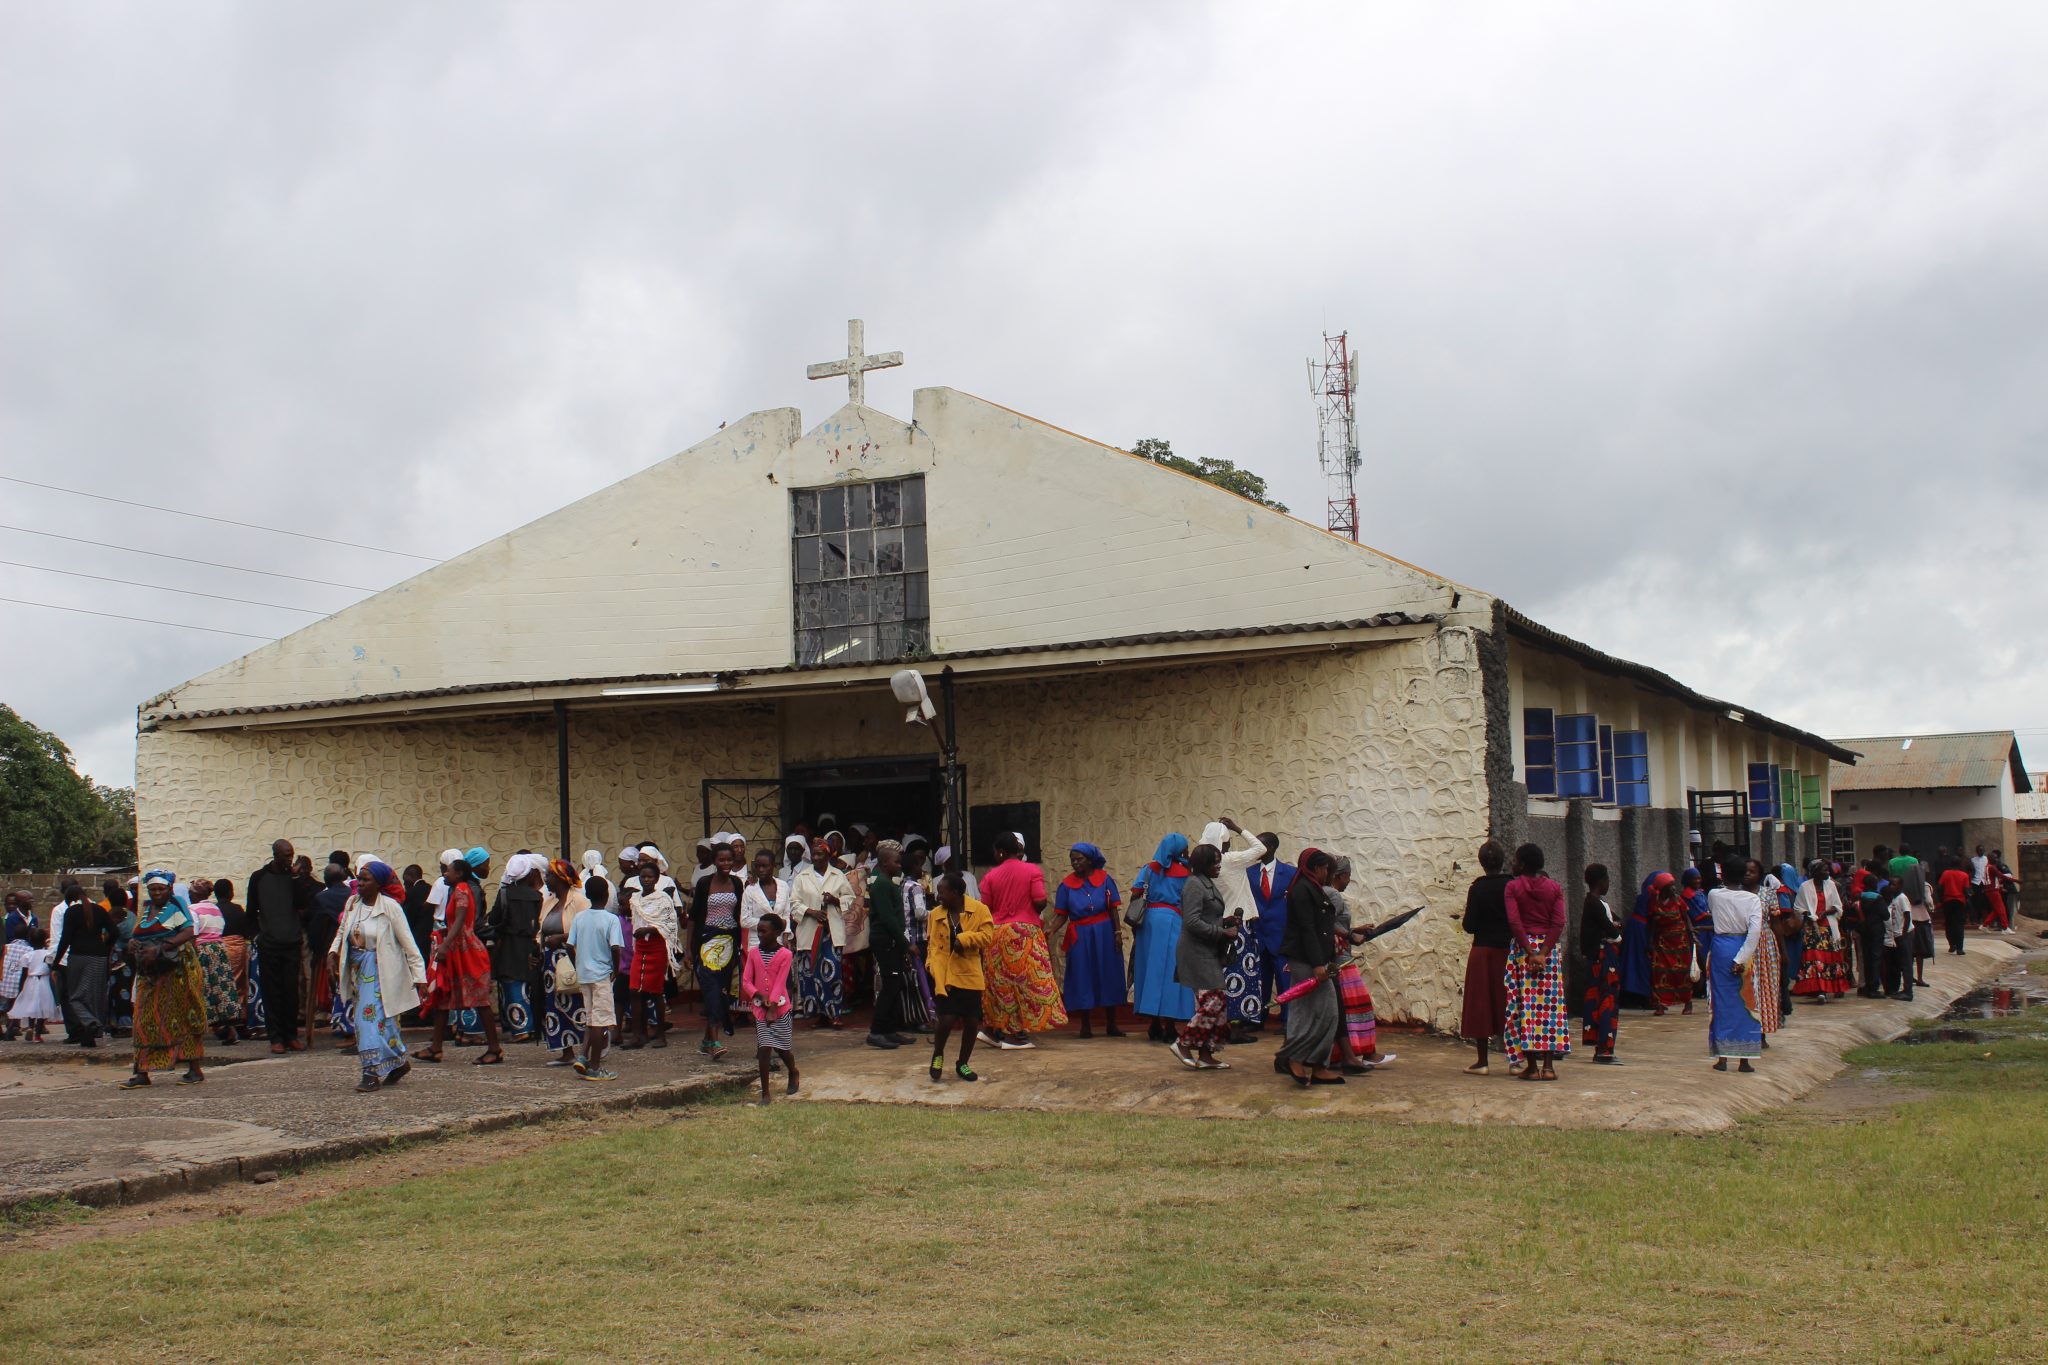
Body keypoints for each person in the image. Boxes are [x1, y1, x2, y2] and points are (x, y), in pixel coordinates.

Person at [326, 861, 426, 1093]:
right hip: (359, 971)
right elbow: (342, 932)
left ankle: (370, 1072)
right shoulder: (353, 903)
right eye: (359, 879)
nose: (359, 884)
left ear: (378, 884)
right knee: (383, 1023)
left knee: (367, 1021)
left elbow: (408, 944)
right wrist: (332, 953)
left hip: (382, 972)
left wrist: (419, 976)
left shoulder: (390, 907)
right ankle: (399, 1062)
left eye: (365, 880)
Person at [977, 831, 1067, 1049]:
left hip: (996, 933)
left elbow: (986, 908)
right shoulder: (1031, 870)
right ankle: (1013, 1036)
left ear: (1000, 852)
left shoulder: (990, 876)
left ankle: (991, 1029)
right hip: (1024, 932)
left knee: (999, 983)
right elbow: (1040, 900)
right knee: (1027, 984)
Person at [121, 870, 207, 1088]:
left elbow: (188, 932)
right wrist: (132, 943)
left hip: (176, 971)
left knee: (183, 1015)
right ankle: (141, 1072)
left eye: (161, 889)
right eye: (153, 889)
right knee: (143, 1017)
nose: (157, 893)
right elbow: (138, 934)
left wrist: (161, 948)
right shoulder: (147, 910)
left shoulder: (176, 907)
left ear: (169, 889)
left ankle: (194, 1068)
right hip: (150, 973)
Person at [417, 850, 503, 1064]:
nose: (445, 874)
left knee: (480, 998)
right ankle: (436, 1047)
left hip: (466, 950)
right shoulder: (458, 889)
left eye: (449, 871)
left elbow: (461, 920)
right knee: (443, 997)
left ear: (460, 874)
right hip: (457, 948)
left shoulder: (462, 890)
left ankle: (494, 1048)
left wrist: (445, 944)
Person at [1191, 818, 1274, 1039]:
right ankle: (1236, 1028)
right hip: (1240, 927)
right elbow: (1261, 848)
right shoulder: (1230, 860)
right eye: (1227, 841)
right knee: (1240, 978)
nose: (1229, 845)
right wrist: (1237, 828)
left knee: (1224, 977)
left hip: (1220, 925)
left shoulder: (1204, 867)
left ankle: (1222, 1024)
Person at [1503, 843, 1569, 1082]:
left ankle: (1531, 1066)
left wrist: (1530, 951)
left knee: (1523, 1007)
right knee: (1550, 1009)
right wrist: (1543, 952)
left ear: (1521, 864)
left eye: (1515, 860)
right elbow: (1558, 922)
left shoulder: (1512, 887)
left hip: (1523, 951)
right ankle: (1549, 1066)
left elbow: (1514, 920)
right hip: (1548, 952)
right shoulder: (1554, 888)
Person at [1276, 848, 1342, 1086]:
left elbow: (1324, 925)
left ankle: (1317, 1065)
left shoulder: (1312, 888)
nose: (1327, 874)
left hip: (1318, 960)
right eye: (1325, 869)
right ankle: (1296, 1058)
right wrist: (1317, 964)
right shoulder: (1303, 890)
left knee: (1326, 1013)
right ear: (1316, 868)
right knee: (1307, 1012)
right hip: (1307, 961)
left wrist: (1350, 935)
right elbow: (1307, 929)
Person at [1170, 842, 1236, 1070]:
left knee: (1216, 1003)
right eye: (1215, 862)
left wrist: (1224, 922)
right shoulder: (1194, 885)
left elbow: (1206, 916)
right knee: (1214, 999)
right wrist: (1222, 931)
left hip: (1207, 950)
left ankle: (1206, 1054)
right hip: (1196, 952)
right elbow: (1192, 921)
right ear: (1203, 864)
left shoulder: (1206, 884)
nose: (1219, 866)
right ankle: (1184, 1043)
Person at [1050, 842, 1126, 1037]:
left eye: (1079, 859)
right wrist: (1049, 930)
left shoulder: (1105, 879)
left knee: (1108, 973)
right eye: (1072, 860)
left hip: (1104, 933)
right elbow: (1062, 914)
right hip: (1080, 935)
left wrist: (1118, 934)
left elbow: (1113, 909)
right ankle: (1085, 1025)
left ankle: (1112, 1023)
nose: (1075, 863)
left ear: (1090, 860)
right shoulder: (1066, 885)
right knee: (1082, 975)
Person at [926, 872, 995, 1083]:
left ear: (955, 893)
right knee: (946, 1019)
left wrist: (964, 939)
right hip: (944, 972)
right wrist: (931, 965)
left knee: (972, 1021)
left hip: (969, 972)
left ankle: (963, 1063)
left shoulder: (979, 910)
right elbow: (931, 944)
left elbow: (987, 936)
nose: (939, 897)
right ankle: (938, 1054)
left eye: (942, 892)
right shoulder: (935, 914)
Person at [1129, 834, 1195, 1042]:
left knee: (1149, 971)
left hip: (1148, 922)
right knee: (1171, 972)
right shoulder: (1185, 873)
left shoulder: (1148, 869)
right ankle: (1170, 1026)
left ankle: (1153, 1024)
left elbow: (1135, 895)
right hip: (1173, 920)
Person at [248, 839, 311, 1054]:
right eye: (285, 855)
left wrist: (295, 878)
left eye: (291, 855)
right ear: (275, 854)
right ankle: (276, 1037)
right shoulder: (259, 877)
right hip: (269, 943)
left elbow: (304, 904)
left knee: (291, 991)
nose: (289, 859)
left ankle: (291, 1034)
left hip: (291, 942)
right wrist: (256, 936)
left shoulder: (293, 878)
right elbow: (251, 910)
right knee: (272, 992)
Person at [1706, 859, 1765, 1072]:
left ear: (1723, 874)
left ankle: (1722, 1057)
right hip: (1744, 947)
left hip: (1721, 947)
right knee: (1747, 1001)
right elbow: (1754, 931)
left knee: (1720, 1002)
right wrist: (1741, 959)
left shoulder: (1714, 894)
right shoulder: (1752, 899)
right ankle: (1744, 1059)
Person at [1458, 841, 1512, 1074]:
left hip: (1482, 950)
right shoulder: (1511, 885)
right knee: (1509, 1002)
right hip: (1508, 950)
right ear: (1503, 861)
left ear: (1481, 863)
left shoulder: (1477, 888)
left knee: (1480, 1003)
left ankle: (1482, 1062)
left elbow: (1469, 925)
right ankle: (1515, 1060)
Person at [862, 840, 920, 1051]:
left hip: (891, 940)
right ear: (886, 863)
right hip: (885, 940)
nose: (900, 864)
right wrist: (906, 945)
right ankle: (877, 1031)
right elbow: (887, 918)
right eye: (896, 861)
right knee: (892, 984)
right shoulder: (881, 884)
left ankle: (889, 1030)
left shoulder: (887, 880)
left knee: (895, 984)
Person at [688, 843, 745, 1057]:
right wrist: (688, 950)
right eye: (721, 860)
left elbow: (739, 915)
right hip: (706, 942)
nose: (726, 864)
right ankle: (714, 1042)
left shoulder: (737, 884)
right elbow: (694, 918)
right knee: (711, 987)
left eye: (729, 860)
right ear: (714, 861)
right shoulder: (705, 883)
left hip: (729, 943)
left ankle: (706, 1040)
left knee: (721, 991)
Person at [791, 837, 853, 1029]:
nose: (816, 857)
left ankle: (835, 1013)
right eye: (814, 854)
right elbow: (793, 904)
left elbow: (850, 898)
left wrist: (836, 900)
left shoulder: (838, 875)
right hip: (809, 933)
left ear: (828, 855)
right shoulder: (802, 877)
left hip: (831, 934)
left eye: (820, 854)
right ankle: (819, 1015)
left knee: (832, 973)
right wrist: (811, 912)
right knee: (810, 974)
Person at [568, 875, 623, 1080]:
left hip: (584, 974)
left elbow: (569, 945)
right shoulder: (611, 919)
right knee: (600, 1022)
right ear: (608, 895)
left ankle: (582, 1057)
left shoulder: (580, 917)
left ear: (588, 895)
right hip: (601, 975)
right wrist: (616, 969)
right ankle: (595, 1066)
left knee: (592, 1019)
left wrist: (577, 964)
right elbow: (615, 947)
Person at [624, 857, 683, 1049]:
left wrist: (649, 930)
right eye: (643, 876)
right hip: (640, 948)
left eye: (650, 877)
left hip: (657, 948)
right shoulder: (636, 899)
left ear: (657, 879)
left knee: (656, 991)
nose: (646, 880)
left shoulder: (663, 899)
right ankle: (638, 1034)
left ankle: (660, 1034)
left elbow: (669, 925)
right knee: (634, 991)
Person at [486, 854, 545, 1043]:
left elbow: (495, 918)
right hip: (530, 943)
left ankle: (521, 1028)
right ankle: (534, 1026)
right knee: (529, 985)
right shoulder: (537, 896)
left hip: (509, 944)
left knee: (511, 984)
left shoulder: (505, 894)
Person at [742, 911, 799, 1105]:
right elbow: (746, 981)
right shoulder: (754, 953)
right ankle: (765, 1093)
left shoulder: (785, 954)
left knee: (783, 1049)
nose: (759, 935)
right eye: (758, 931)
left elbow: (781, 982)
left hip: (780, 1008)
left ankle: (793, 1071)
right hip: (760, 1008)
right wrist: (759, 996)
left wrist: (773, 1006)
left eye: (763, 932)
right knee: (764, 1049)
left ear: (775, 932)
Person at [1245, 833, 1297, 1032]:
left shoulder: (1290, 873)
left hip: (1281, 935)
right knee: (1259, 980)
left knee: (1285, 980)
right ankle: (1257, 1017)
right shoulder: (1248, 873)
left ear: (1273, 847)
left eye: (1261, 845)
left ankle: (1288, 1019)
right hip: (1257, 935)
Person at [539, 860, 589, 1067]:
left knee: (576, 1001)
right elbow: (540, 930)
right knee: (555, 1005)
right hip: (549, 960)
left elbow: (587, 928)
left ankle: (590, 1047)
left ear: (560, 878)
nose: (546, 879)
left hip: (570, 957)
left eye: (549, 875)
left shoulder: (579, 901)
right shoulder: (548, 902)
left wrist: (561, 937)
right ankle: (565, 1050)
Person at [53, 887, 116, 1047]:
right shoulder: (100, 910)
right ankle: (90, 1035)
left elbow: (65, 939)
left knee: (74, 996)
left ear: (69, 900)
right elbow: (114, 932)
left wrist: (56, 962)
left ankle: (91, 1022)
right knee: (95, 996)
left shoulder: (72, 912)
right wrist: (105, 946)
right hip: (99, 957)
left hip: (78, 956)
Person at [185, 879, 243, 1046]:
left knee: (203, 988)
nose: (189, 895)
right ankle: (228, 1028)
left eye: (191, 892)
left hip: (202, 950)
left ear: (196, 894)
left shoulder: (192, 909)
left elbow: (193, 932)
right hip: (219, 948)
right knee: (222, 987)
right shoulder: (215, 909)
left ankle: (201, 1028)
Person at [1579, 863, 1622, 1065]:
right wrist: (1613, 930)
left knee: (1599, 1001)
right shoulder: (1595, 904)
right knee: (1606, 1002)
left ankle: (1602, 1046)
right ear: (1602, 881)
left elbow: (1615, 922)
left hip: (1598, 957)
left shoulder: (1595, 902)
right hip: (1603, 959)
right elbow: (1613, 930)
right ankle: (1605, 1048)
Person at [1790, 860, 1852, 1000]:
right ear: (1816, 872)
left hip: (1829, 927)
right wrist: (1808, 914)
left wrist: (1825, 912)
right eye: (1824, 870)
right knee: (1815, 958)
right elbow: (1798, 907)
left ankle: (1833, 987)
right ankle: (1820, 989)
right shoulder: (1805, 887)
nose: (1828, 872)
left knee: (1830, 957)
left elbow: (1837, 905)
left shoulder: (1831, 885)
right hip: (1813, 929)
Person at [1643, 872, 1694, 1015]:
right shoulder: (1654, 901)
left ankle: (1688, 1002)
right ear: (1662, 888)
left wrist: (1692, 934)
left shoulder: (1678, 900)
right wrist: (1649, 942)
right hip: (1661, 942)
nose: (1673, 889)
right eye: (1669, 886)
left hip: (1680, 943)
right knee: (1659, 972)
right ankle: (1659, 1004)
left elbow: (1686, 918)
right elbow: (1651, 922)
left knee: (1682, 973)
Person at [7, 930, 59, 1041]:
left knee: (32, 1005)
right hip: (44, 981)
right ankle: (37, 1035)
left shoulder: (27, 956)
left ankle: (30, 1027)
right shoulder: (48, 954)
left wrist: (21, 988)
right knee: (43, 1007)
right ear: (45, 941)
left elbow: (23, 973)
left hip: (30, 981)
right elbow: (51, 968)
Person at [1937, 858, 1972, 955]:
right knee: (1959, 925)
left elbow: (1939, 886)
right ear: (1960, 864)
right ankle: (1960, 948)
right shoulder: (1964, 875)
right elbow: (1966, 890)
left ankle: (1952, 944)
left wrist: (1941, 898)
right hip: (1960, 901)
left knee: (1949, 923)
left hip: (1948, 901)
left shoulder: (1946, 873)